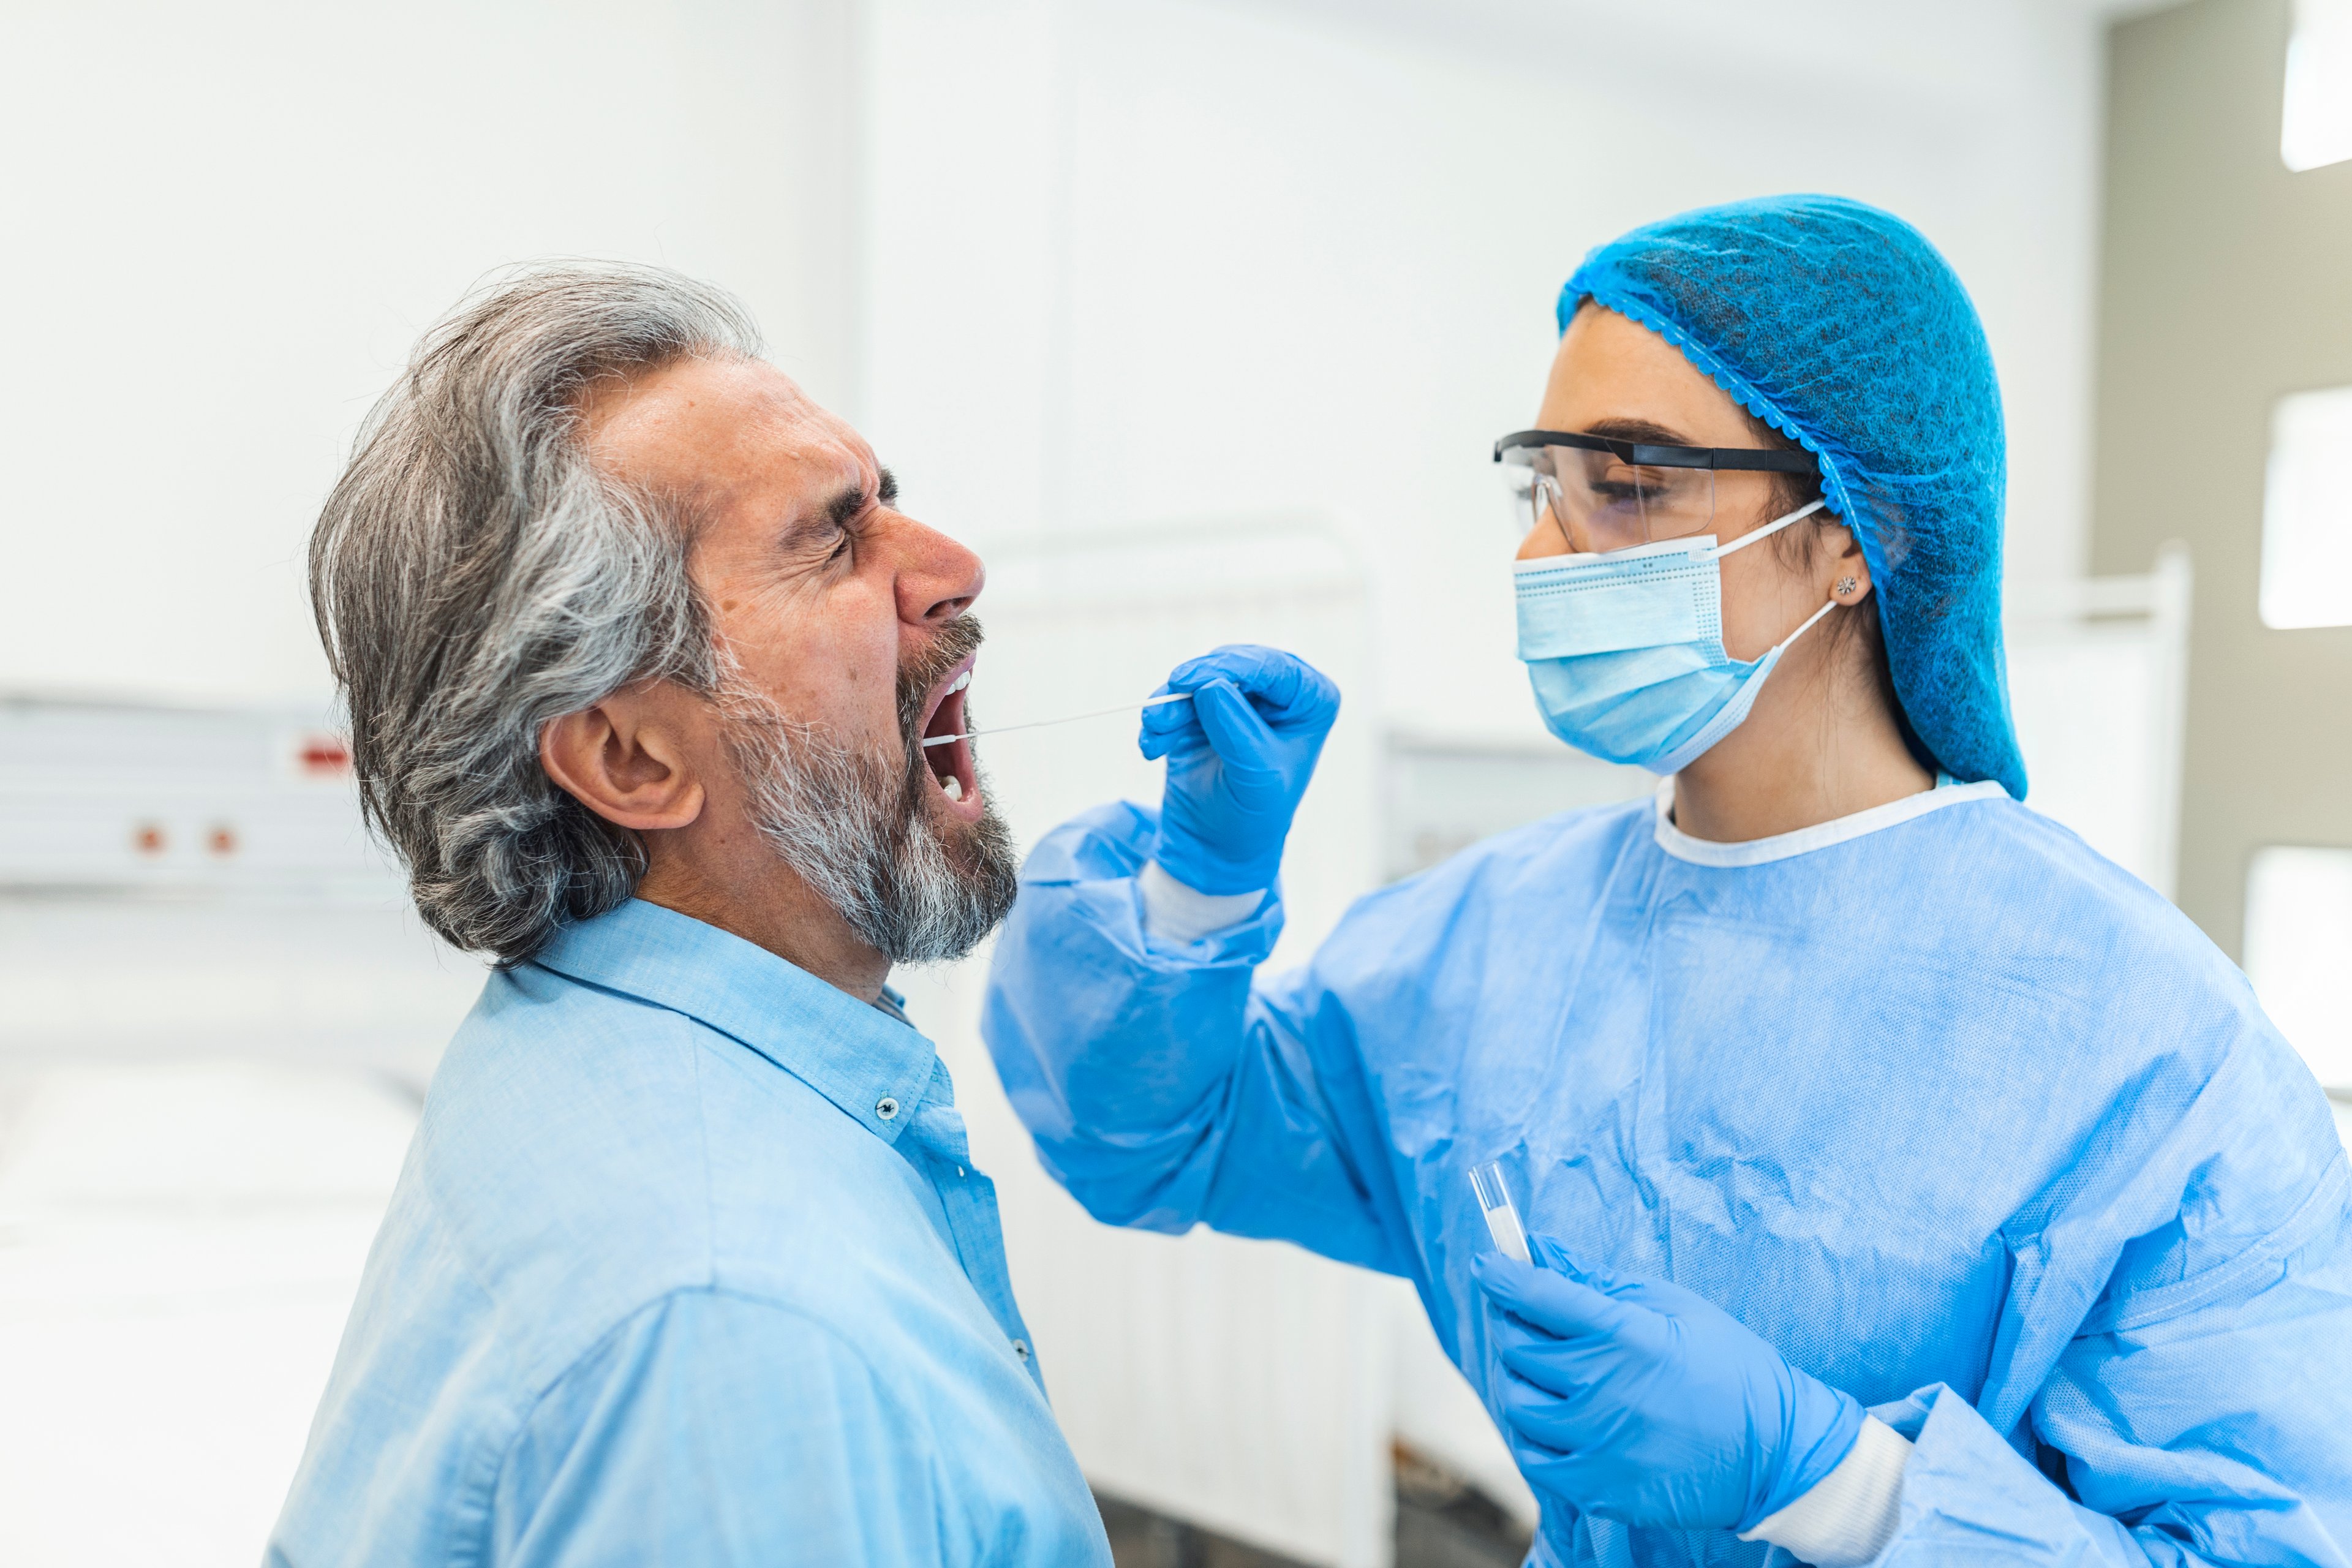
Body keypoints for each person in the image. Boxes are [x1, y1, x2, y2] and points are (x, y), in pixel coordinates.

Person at [982, 195, 2352, 1568]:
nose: (1544, 552)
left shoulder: (2150, 1050)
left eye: (1627, 480)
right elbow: (1160, 1132)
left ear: (1848, 535)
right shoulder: (1495, 940)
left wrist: (1841, 1486)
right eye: (1545, 486)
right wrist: (1200, 892)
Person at [271, 265, 1110, 1566]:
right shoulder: (740, 1327)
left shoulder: (570, 1038)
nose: (952, 567)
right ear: (631, 760)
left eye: (884, 499)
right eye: (832, 536)